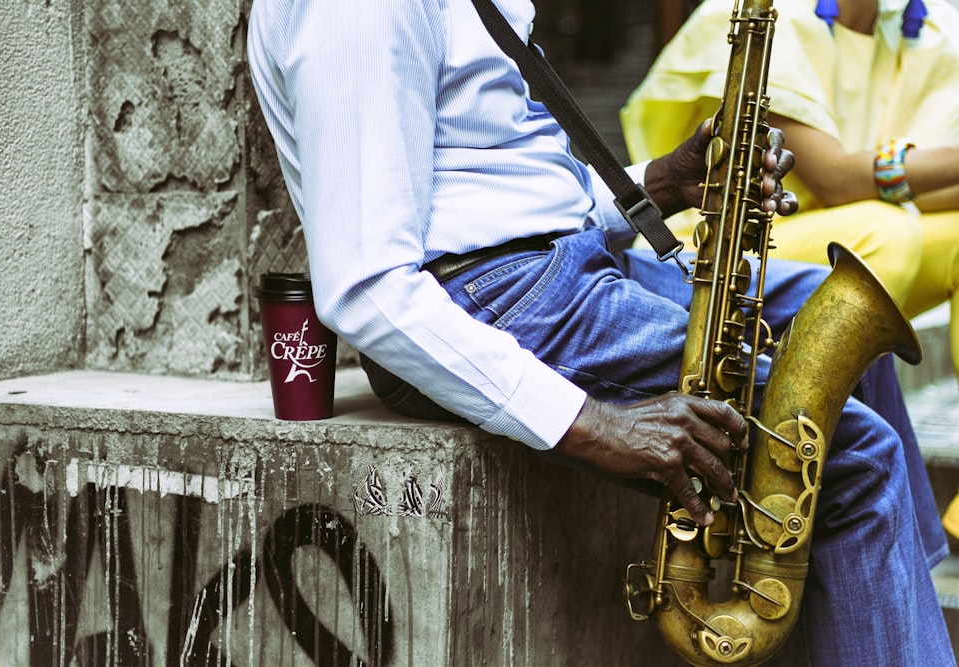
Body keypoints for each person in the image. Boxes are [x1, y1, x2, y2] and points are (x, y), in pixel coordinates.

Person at [246, 1, 954, 664]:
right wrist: (592, 424)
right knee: (851, 456)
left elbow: (508, 192)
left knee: (835, 335)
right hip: (496, 296)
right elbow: (369, 284)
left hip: (552, 271)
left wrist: (663, 183)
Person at [620, 0, 959, 541]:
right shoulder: (769, 12)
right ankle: (824, 475)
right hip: (710, 249)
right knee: (883, 239)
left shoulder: (920, 28)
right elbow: (836, 180)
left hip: (838, 236)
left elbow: (929, 188)